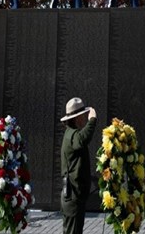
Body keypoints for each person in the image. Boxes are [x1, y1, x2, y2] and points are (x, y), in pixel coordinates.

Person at [60, 97, 98, 234]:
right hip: (73, 197)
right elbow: (83, 139)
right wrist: (93, 121)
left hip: (74, 195)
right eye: (84, 116)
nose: (86, 118)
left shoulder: (71, 133)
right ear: (77, 118)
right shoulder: (72, 135)